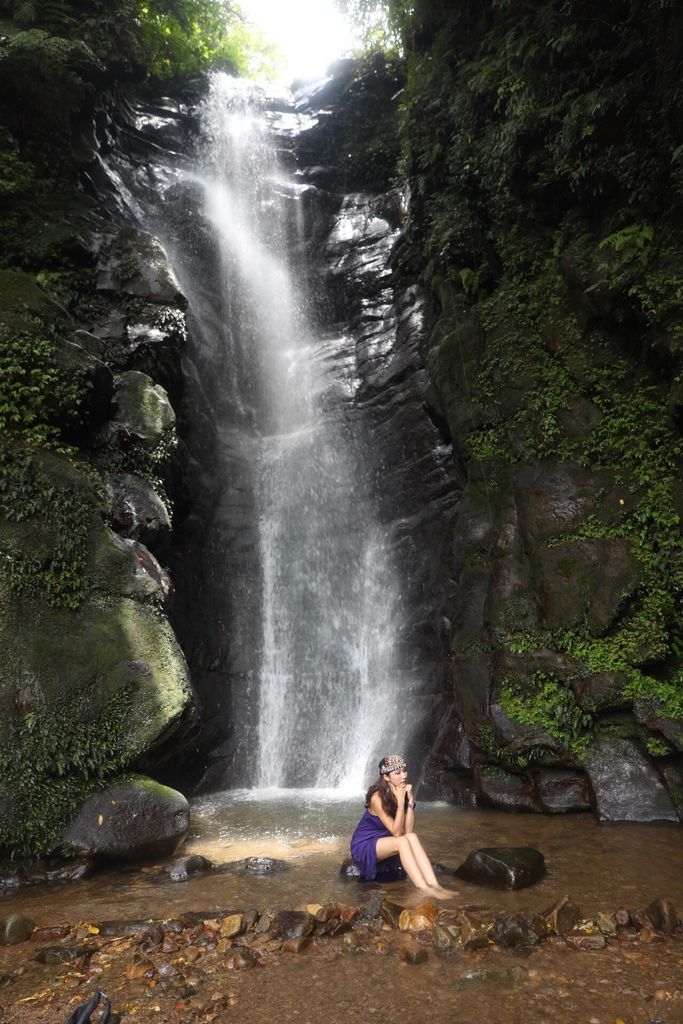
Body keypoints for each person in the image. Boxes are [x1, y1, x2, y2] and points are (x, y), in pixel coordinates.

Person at [350, 753, 457, 899]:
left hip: (386, 840)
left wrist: (410, 801)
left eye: (404, 771)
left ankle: (436, 886)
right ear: (386, 777)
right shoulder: (377, 797)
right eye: (397, 773)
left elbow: (408, 831)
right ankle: (424, 889)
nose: (403, 776)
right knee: (401, 841)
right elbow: (396, 833)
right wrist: (400, 802)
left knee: (412, 837)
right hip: (365, 844)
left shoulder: (402, 790)